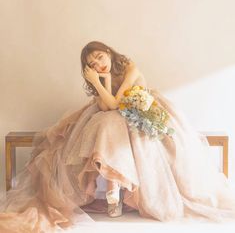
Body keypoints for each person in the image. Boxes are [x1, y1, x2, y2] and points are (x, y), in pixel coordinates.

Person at [1, 41, 235, 233]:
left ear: (109, 52)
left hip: (141, 111)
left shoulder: (129, 68)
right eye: (93, 64)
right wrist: (100, 81)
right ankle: (113, 191)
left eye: (100, 58)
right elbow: (105, 106)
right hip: (117, 117)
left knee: (111, 122)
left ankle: (117, 190)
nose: (99, 65)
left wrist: (96, 81)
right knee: (105, 122)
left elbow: (115, 104)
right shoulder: (102, 78)